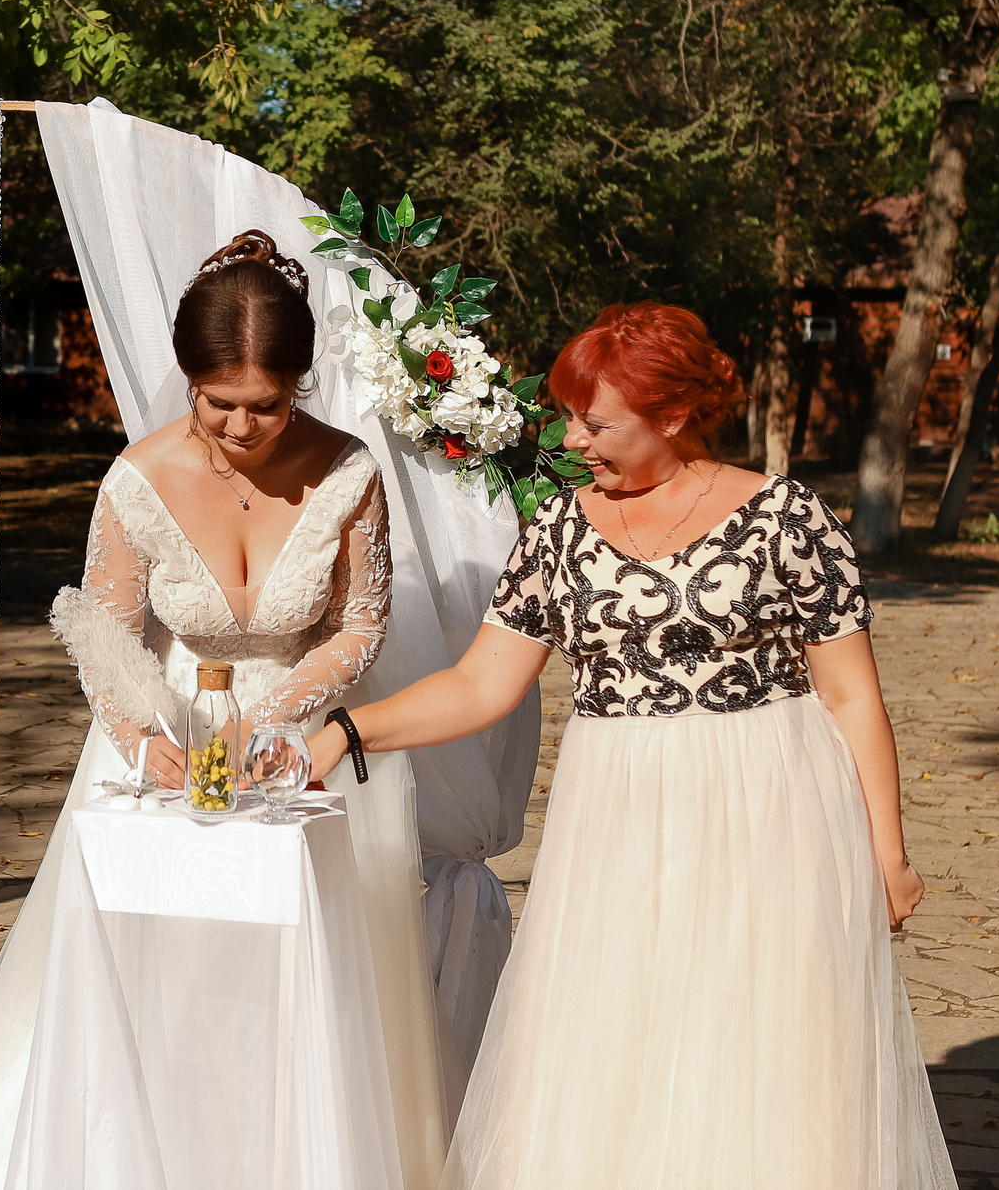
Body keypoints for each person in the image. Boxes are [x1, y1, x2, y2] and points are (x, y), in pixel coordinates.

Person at [308, 301, 954, 1190]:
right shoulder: (560, 533)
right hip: (617, 820)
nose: (573, 439)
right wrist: (349, 730)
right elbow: (480, 684)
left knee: (766, 1044)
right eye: (569, 417)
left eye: (596, 421)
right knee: (620, 1036)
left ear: (675, 415)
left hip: (770, 809)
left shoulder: (787, 517)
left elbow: (851, 694)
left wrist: (889, 851)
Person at [0, 231, 449, 1190]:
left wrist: (269, 717)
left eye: (266, 406)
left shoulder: (350, 472)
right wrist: (150, 739)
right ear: (187, 381)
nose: (240, 428)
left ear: (302, 383)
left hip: (299, 749)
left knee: (294, 990)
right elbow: (105, 641)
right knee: (167, 977)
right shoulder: (136, 479)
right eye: (217, 403)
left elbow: (361, 624)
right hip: (157, 743)